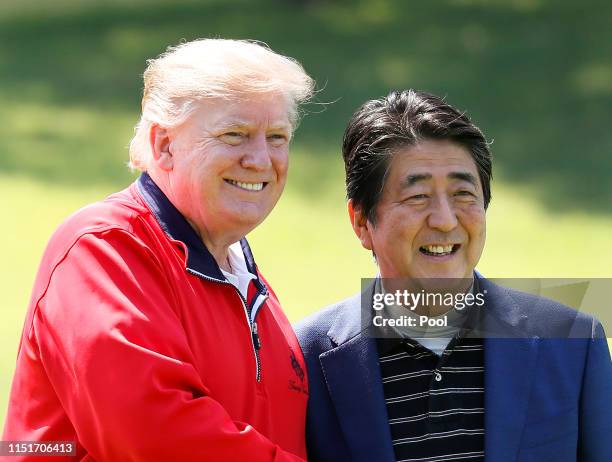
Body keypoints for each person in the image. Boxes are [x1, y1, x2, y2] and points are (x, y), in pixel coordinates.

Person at [3, 39, 313, 461]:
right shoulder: (104, 247)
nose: (261, 159)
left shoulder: (243, 275)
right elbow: (153, 435)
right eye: (234, 135)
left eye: (277, 137)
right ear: (164, 144)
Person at [295, 89, 611, 462]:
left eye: (463, 193)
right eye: (418, 197)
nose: (445, 221)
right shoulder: (305, 360)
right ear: (362, 222)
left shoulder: (573, 341)